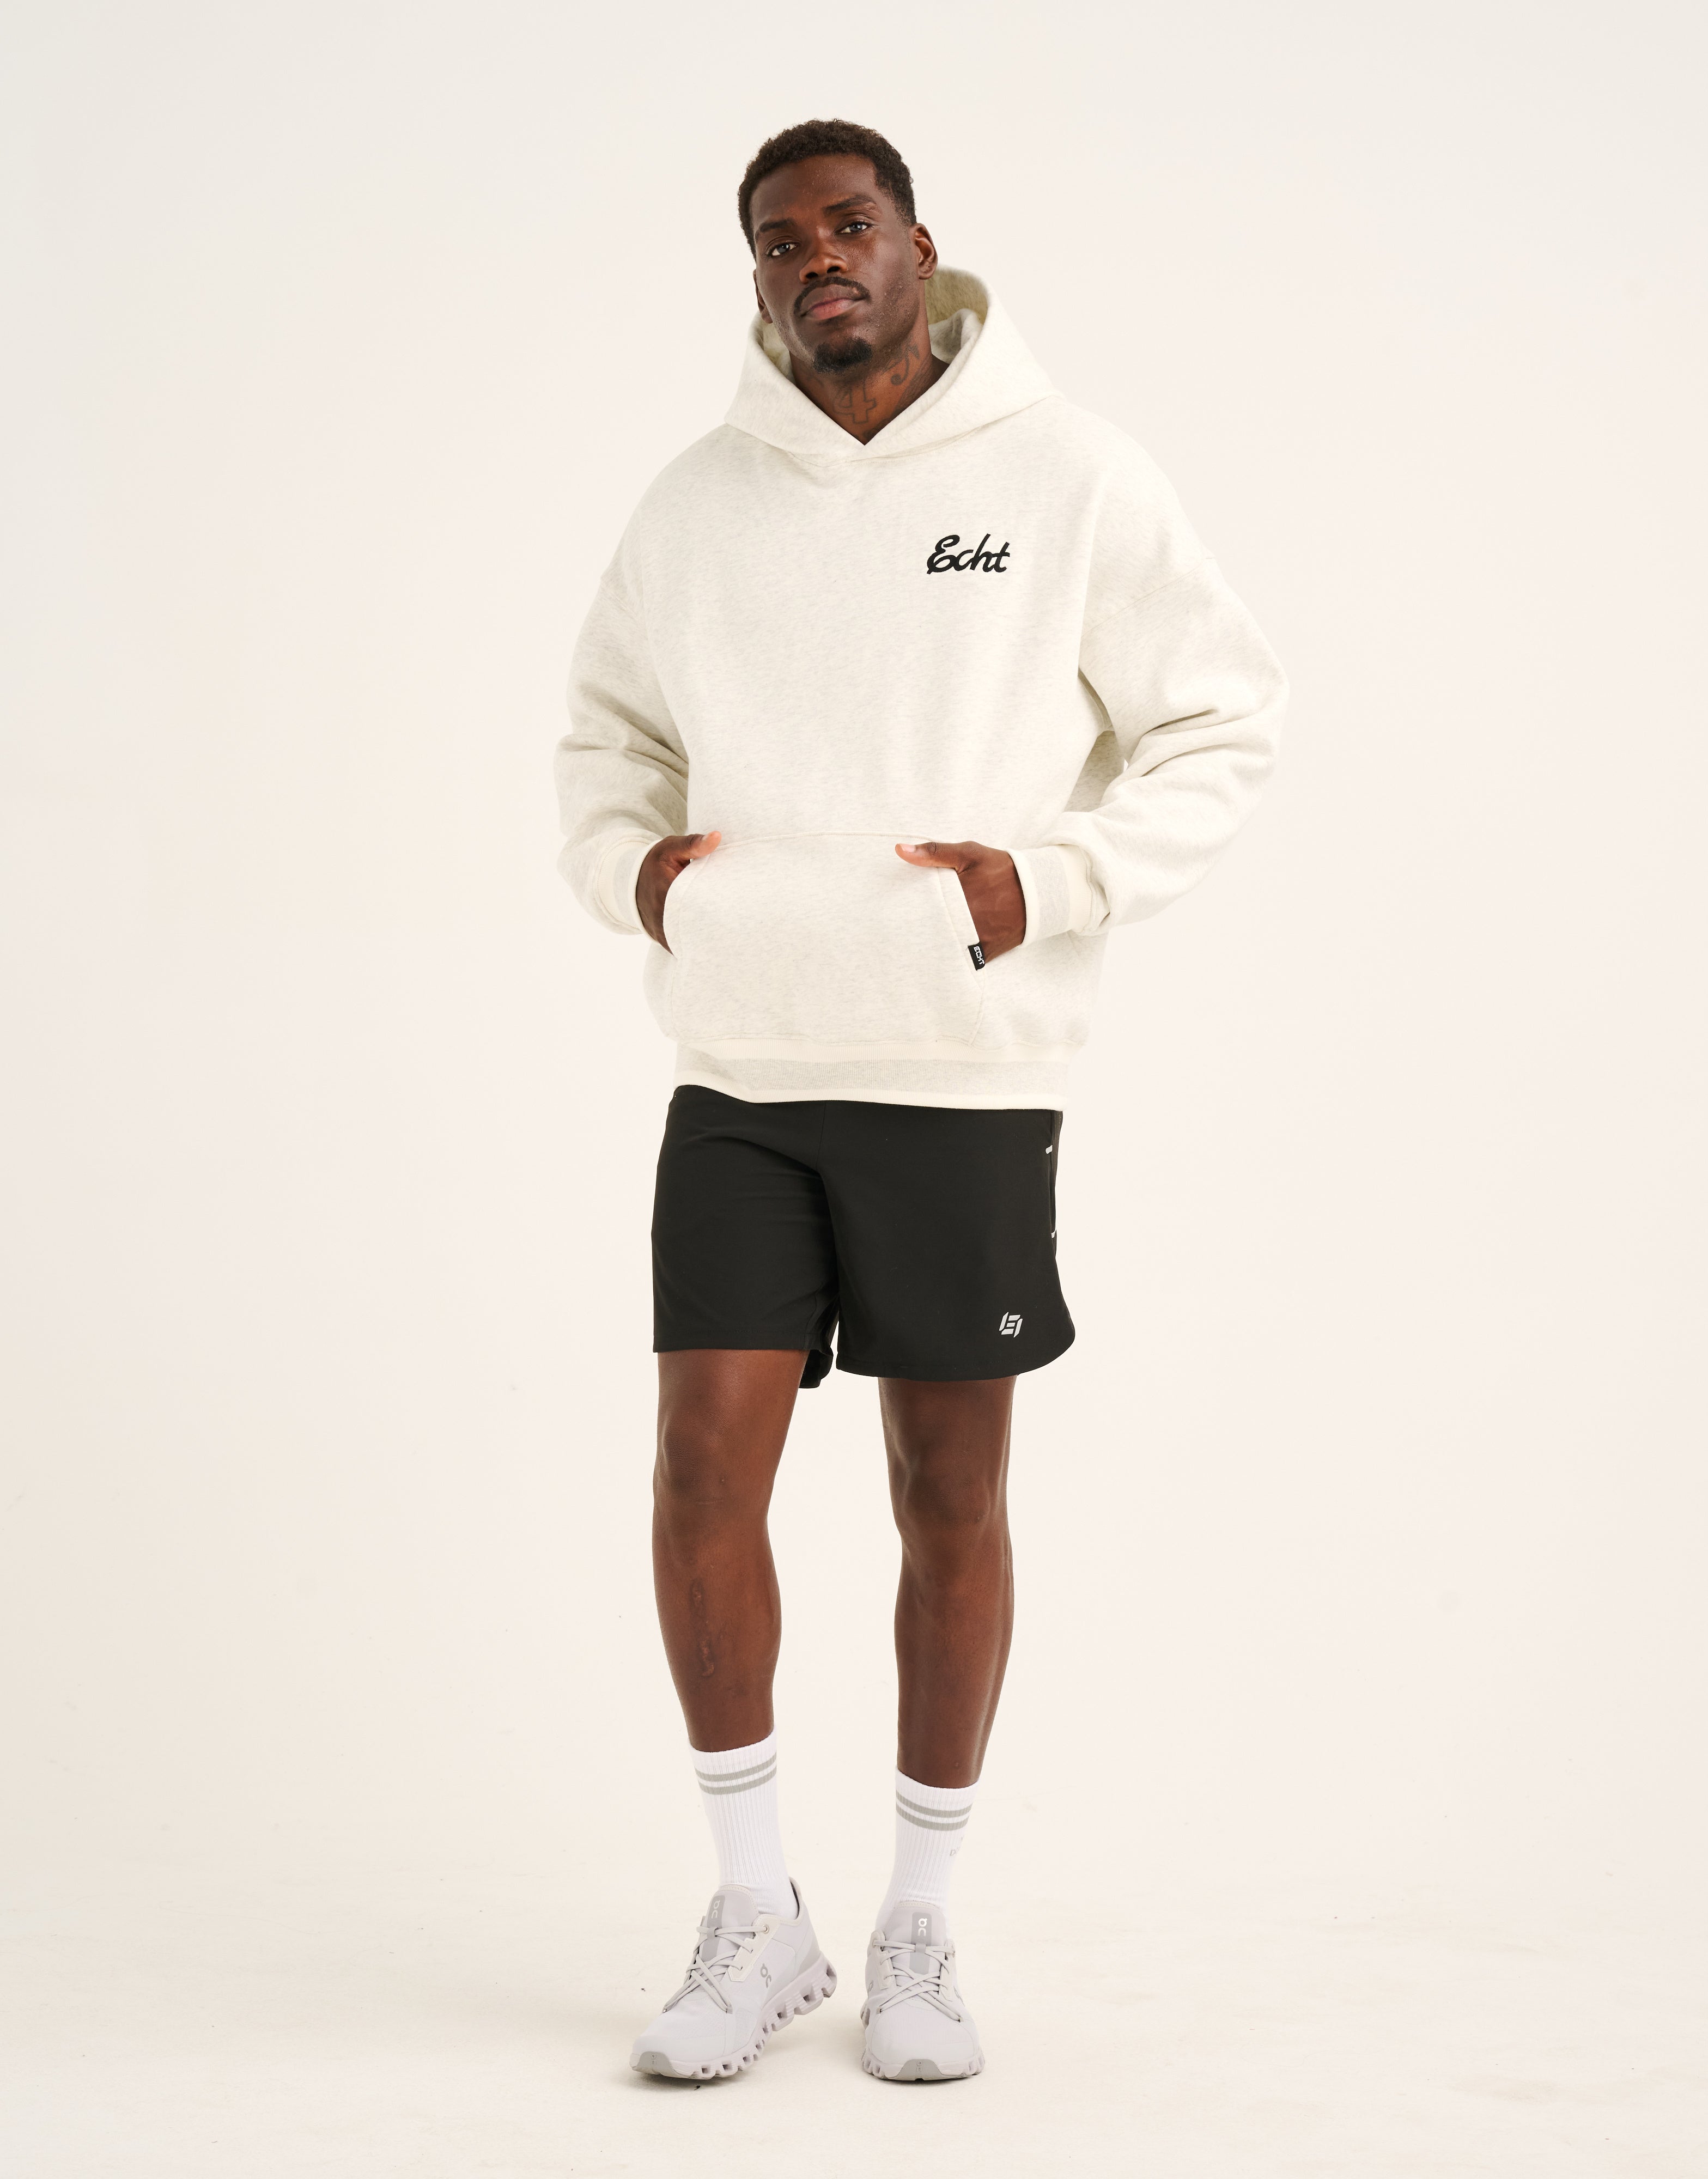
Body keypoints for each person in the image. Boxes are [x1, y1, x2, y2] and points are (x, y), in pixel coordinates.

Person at [556, 116, 1286, 2085]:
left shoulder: (1068, 475)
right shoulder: (697, 501)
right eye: (780, 239)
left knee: (946, 1495)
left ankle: (922, 1928)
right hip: (741, 1069)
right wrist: (637, 875)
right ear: (759, 275)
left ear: (916, 243)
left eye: (849, 225)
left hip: (962, 1078)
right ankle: (755, 1913)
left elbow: (1224, 715)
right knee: (699, 1469)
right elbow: (604, 737)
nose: (818, 259)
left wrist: (1050, 883)